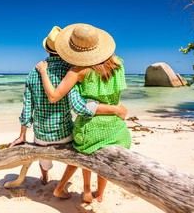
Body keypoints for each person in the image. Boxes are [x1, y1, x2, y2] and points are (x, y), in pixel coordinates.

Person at [10, 26, 128, 185]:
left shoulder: (35, 73)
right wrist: (115, 109)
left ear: (47, 50)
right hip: (71, 133)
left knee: (44, 159)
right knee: (78, 151)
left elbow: (27, 110)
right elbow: (79, 105)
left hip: (42, 135)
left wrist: (22, 136)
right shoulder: (81, 68)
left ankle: (45, 177)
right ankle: (76, 186)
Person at [36, 23, 131, 202]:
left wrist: (43, 73)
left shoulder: (78, 71)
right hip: (116, 128)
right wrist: (115, 109)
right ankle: (100, 193)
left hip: (90, 129)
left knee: (84, 147)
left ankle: (86, 188)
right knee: (105, 156)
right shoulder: (118, 63)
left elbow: (55, 97)